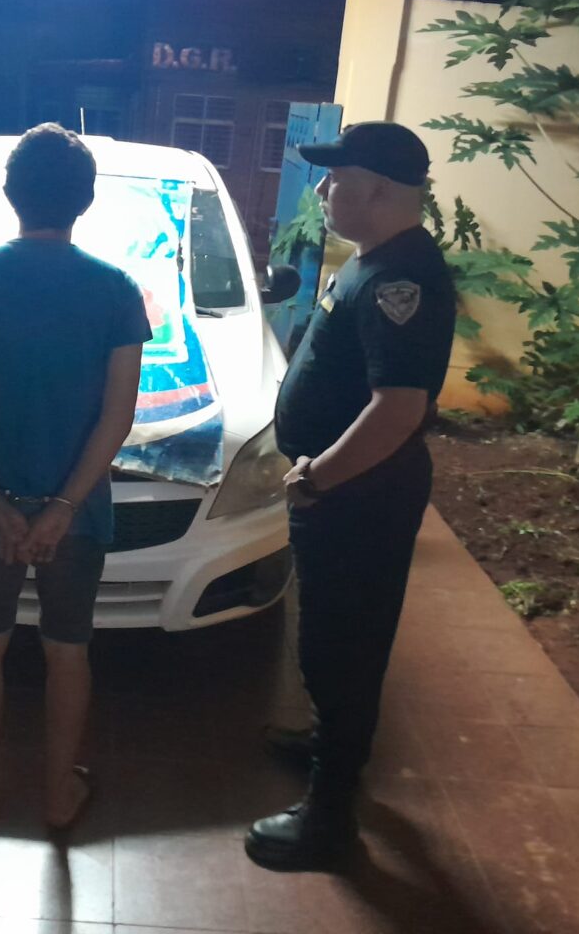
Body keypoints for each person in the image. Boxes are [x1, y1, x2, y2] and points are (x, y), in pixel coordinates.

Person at [244, 122, 456, 871]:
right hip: (349, 494)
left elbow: (398, 409)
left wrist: (317, 478)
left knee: (343, 648)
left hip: (358, 496)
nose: (326, 190)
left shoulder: (404, 281)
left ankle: (328, 820)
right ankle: (330, 745)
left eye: (338, 179)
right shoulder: (376, 260)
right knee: (333, 640)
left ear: (379, 191)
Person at [0, 123, 152, 831]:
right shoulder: (116, 289)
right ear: (86, 200)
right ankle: (59, 793)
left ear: (9, 193)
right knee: (68, 650)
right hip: (79, 516)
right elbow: (117, 416)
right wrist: (61, 508)